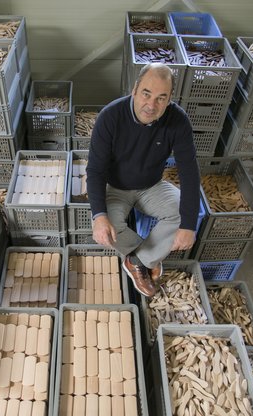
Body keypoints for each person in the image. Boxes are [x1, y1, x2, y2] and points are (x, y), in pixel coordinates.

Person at [86, 63, 200, 298]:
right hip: (115, 187)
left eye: (161, 98)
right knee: (107, 229)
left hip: (152, 186)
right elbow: (95, 170)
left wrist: (188, 226)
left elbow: (189, 172)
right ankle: (146, 258)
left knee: (186, 213)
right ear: (135, 89)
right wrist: (99, 216)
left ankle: (139, 260)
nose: (151, 105)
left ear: (170, 99)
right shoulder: (110, 116)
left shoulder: (178, 121)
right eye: (146, 94)